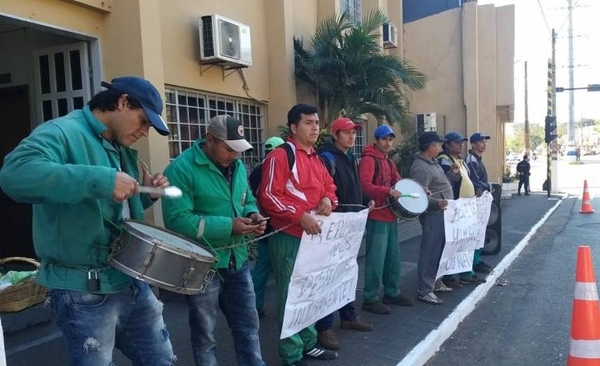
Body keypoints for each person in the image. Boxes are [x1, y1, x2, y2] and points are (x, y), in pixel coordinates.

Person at [0, 76, 176, 365]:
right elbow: (14, 175)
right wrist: (102, 179)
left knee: (162, 360)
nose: (145, 132)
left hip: (130, 280)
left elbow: (111, 211)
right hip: (84, 290)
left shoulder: (120, 146)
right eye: (143, 120)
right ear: (122, 102)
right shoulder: (62, 132)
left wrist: (147, 196)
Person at [161, 115, 267, 366]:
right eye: (229, 149)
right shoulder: (181, 169)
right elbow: (177, 220)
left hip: (237, 260)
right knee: (205, 335)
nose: (235, 156)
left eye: (239, 150)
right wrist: (229, 225)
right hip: (202, 266)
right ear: (209, 140)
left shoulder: (238, 167)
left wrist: (253, 213)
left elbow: (245, 198)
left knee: (249, 326)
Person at [259, 104, 339, 366]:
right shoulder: (281, 156)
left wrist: (328, 199)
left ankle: (308, 343)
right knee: (291, 295)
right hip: (289, 236)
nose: (315, 127)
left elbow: (329, 186)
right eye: (308, 122)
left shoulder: (315, 157)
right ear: (293, 128)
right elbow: (268, 196)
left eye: (316, 122)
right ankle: (291, 354)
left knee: (310, 292)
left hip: (313, 238)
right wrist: (299, 215)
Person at [314, 118, 375, 351]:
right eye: (347, 133)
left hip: (350, 227)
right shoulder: (327, 158)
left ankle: (348, 316)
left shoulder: (350, 158)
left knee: (348, 272)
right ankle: (324, 328)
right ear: (335, 135)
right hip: (333, 228)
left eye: (354, 133)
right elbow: (324, 192)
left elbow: (352, 188)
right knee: (329, 278)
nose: (352, 137)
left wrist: (363, 201)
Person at [358, 124, 414, 315]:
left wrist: (418, 192)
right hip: (377, 215)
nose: (388, 143)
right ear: (376, 140)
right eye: (384, 139)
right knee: (376, 259)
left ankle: (391, 292)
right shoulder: (368, 160)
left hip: (390, 214)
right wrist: (387, 191)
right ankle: (370, 298)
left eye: (390, 139)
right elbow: (364, 185)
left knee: (393, 257)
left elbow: (399, 182)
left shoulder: (389, 161)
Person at [410, 132, 455, 305]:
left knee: (438, 250)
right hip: (433, 215)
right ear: (431, 147)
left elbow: (438, 186)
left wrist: (452, 176)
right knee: (430, 252)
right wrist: (436, 203)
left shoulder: (433, 163)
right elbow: (416, 196)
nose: (441, 147)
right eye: (438, 144)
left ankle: (435, 282)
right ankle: (425, 290)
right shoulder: (421, 168)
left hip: (442, 215)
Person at [438, 132, 485, 287]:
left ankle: (466, 273)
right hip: (454, 207)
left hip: (466, 208)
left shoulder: (460, 160)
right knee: (452, 243)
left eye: (462, 143)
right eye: (458, 143)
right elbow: (445, 181)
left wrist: (477, 187)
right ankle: (449, 276)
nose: (461, 145)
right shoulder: (444, 160)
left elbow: (471, 179)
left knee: (465, 242)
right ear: (448, 144)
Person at [249, 135, 285, 318]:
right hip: (280, 227)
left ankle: (255, 305)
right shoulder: (281, 167)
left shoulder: (256, 171)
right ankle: (285, 309)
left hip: (262, 225)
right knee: (283, 270)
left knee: (261, 267)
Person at [465, 132, 493, 274]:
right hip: (476, 200)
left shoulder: (477, 159)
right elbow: (475, 180)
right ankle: (474, 262)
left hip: (481, 200)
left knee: (480, 231)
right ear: (474, 144)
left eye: (485, 141)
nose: (484, 144)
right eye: (481, 142)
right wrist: (485, 187)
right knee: (475, 231)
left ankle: (477, 259)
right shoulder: (471, 159)